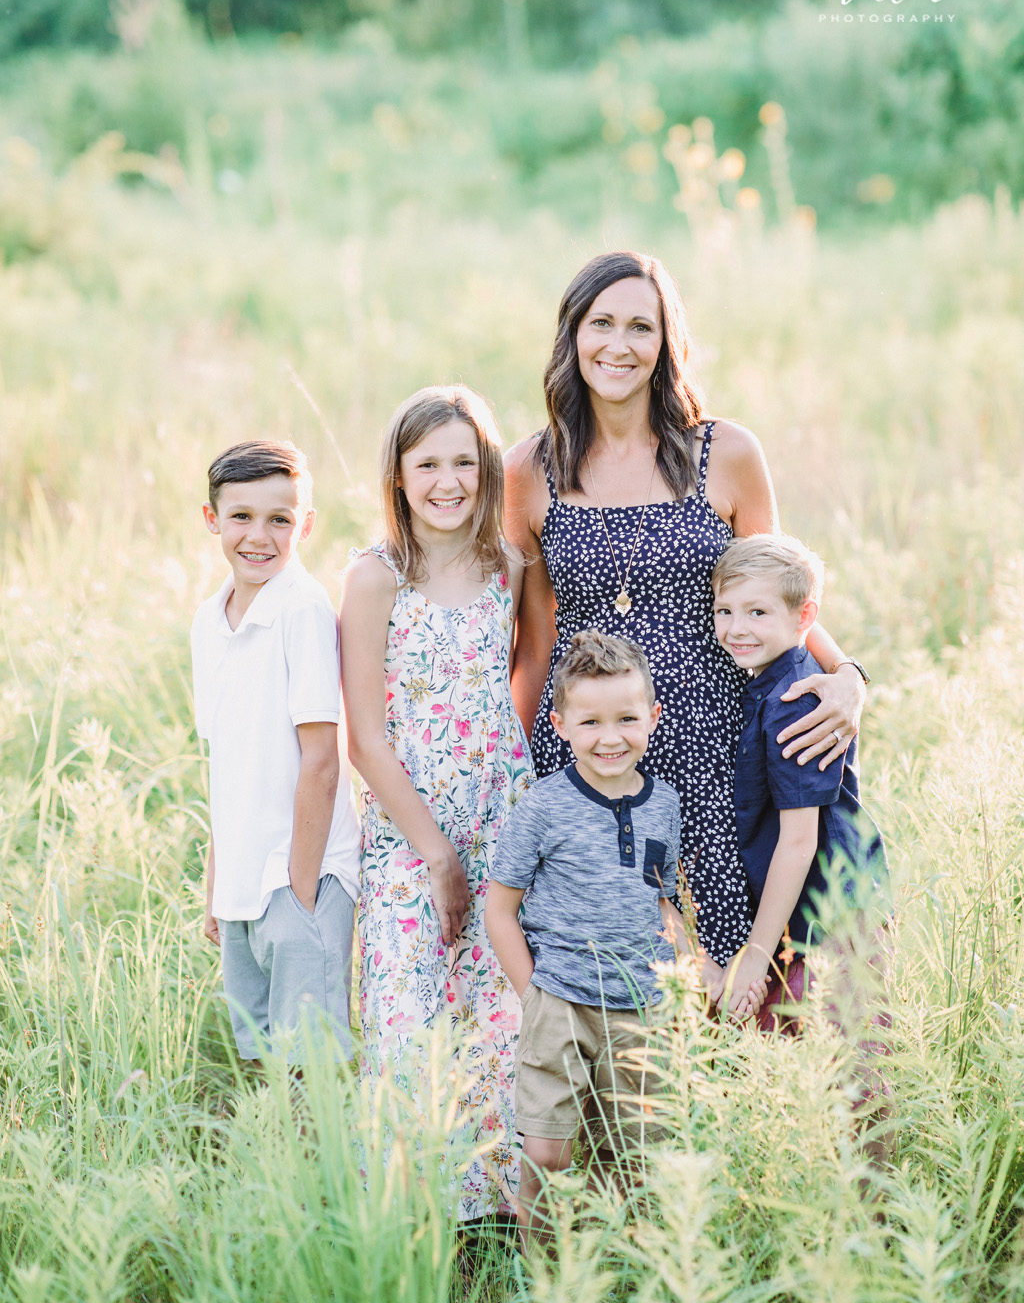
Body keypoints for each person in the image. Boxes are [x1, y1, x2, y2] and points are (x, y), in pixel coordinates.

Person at [504, 250, 870, 987]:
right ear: (571, 335)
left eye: (642, 326)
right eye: (600, 323)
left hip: (711, 748)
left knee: (721, 961)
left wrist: (849, 676)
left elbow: (778, 598)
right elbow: (534, 643)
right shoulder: (528, 469)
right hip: (590, 751)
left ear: (667, 343)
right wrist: (522, 772)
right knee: (605, 970)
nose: (620, 344)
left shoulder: (726, 454)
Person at [339, 385, 533, 1222]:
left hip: (501, 825)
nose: (448, 481)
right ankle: (418, 1215)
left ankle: (495, 1208)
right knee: (410, 1021)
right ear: (398, 475)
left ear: (488, 469)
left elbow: (514, 688)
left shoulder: (510, 569)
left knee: (500, 1017)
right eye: (428, 464)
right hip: (410, 839)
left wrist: (507, 829)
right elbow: (365, 739)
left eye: (465, 461)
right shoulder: (375, 578)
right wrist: (437, 853)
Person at [486, 630, 741, 1248]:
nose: (610, 737)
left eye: (627, 719)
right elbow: (500, 908)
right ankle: (542, 1275)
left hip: (642, 1006)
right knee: (547, 1151)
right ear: (561, 725)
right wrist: (536, 993)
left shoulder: (664, 805)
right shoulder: (543, 806)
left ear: (652, 718)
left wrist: (693, 966)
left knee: (627, 1157)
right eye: (590, 721)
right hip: (561, 1003)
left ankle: (607, 1269)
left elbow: (660, 899)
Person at [711, 533, 891, 1159]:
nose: (737, 628)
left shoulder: (795, 699)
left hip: (833, 910)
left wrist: (757, 955)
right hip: (801, 913)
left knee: (852, 1075)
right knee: (803, 1075)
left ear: (804, 617)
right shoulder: (764, 680)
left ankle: (875, 1228)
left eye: (757, 613)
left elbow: (797, 841)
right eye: (725, 611)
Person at [192, 439, 361, 1064]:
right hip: (242, 879)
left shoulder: (303, 608)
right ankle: (280, 1166)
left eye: (280, 519)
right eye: (241, 516)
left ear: (305, 524)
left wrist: (300, 890)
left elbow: (321, 758)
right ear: (212, 519)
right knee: (261, 1051)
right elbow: (224, 763)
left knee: (309, 1063)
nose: (258, 536)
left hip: (298, 875)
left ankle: (322, 1164)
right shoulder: (209, 622)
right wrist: (218, 884)